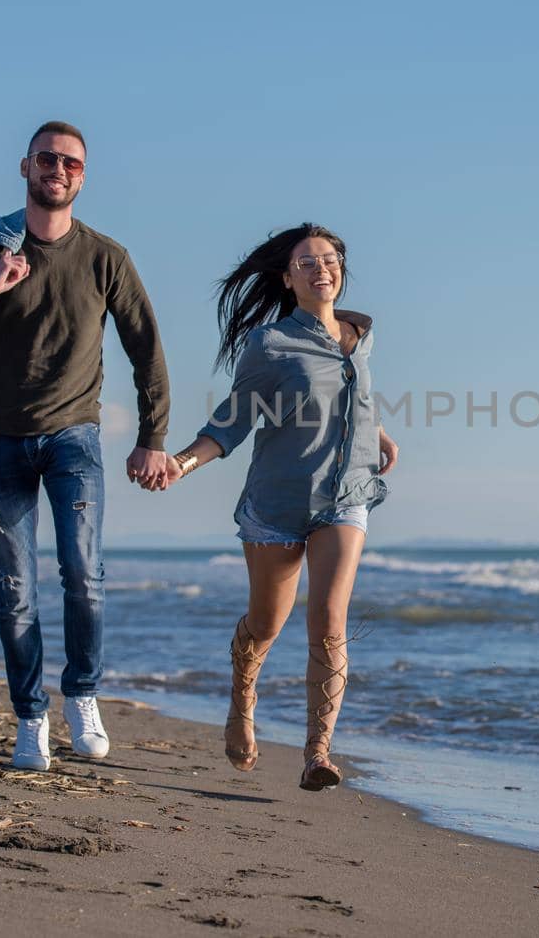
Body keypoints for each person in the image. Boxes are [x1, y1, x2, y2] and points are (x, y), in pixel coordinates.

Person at [0, 121, 180, 771]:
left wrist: (152, 439)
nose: (59, 169)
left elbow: (147, 352)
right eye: (48, 159)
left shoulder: (106, 257)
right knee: (15, 588)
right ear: (25, 167)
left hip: (74, 438)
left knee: (84, 576)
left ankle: (80, 694)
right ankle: (30, 719)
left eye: (71, 163)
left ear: (83, 178)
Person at [167, 224, 398, 790]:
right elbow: (232, 419)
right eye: (308, 262)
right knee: (268, 623)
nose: (322, 269)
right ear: (287, 277)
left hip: (345, 497)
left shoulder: (359, 334)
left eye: (330, 259)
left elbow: (349, 395)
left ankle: (317, 753)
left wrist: (379, 434)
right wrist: (182, 463)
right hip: (277, 503)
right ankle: (242, 699)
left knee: (329, 623)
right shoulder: (269, 345)